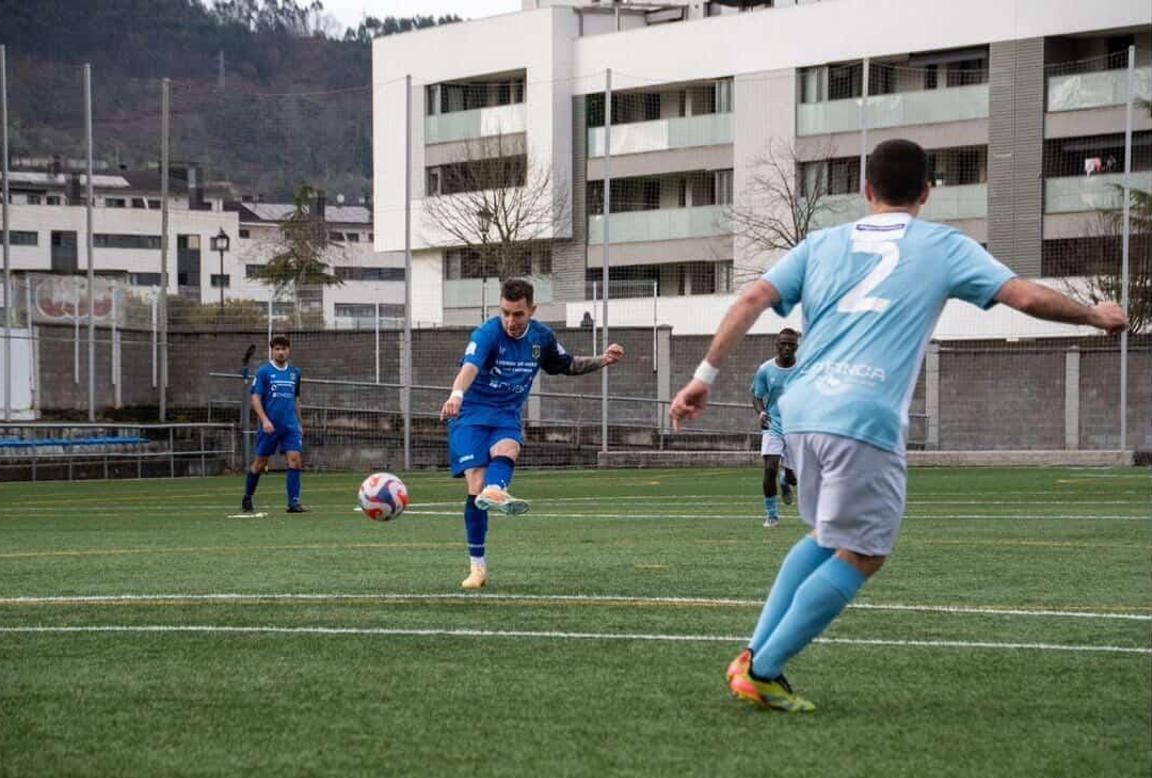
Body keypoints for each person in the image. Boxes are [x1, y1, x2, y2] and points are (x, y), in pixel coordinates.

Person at [670, 138, 1127, 713]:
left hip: (804, 413)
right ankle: (763, 669)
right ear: (927, 193)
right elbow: (1025, 297)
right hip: (862, 416)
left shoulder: (822, 244)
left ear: (866, 191)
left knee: (828, 539)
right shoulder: (942, 246)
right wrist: (1092, 312)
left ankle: (755, 654)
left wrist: (704, 375)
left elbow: (752, 298)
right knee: (864, 553)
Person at [440, 277, 625, 589]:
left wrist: (603, 360)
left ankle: (496, 490)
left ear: (532, 310)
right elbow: (469, 368)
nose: (511, 321)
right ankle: (478, 569)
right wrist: (456, 395)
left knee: (509, 449)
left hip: (506, 415)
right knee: (475, 484)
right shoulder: (487, 333)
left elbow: (566, 365)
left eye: (518, 314)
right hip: (470, 412)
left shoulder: (541, 337)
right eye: (506, 313)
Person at [242, 335, 307, 513]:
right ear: (272, 350)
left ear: (289, 350)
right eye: (277, 349)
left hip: (290, 426)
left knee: (295, 460)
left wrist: (300, 424)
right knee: (260, 464)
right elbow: (255, 398)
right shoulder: (264, 372)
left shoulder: (295, 373)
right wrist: (264, 420)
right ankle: (247, 497)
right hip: (270, 426)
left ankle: (294, 503)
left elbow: (296, 399)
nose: (280, 352)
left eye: (284, 349)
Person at [751, 328, 799, 528]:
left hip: (797, 426)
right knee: (769, 467)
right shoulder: (766, 369)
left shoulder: (805, 368)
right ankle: (772, 515)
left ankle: (786, 480)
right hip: (774, 425)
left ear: (796, 347)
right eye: (783, 344)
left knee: (794, 478)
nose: (787, 348)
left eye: (791, 344)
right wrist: (761, 412)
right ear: (777, 345)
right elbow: (756, 396)